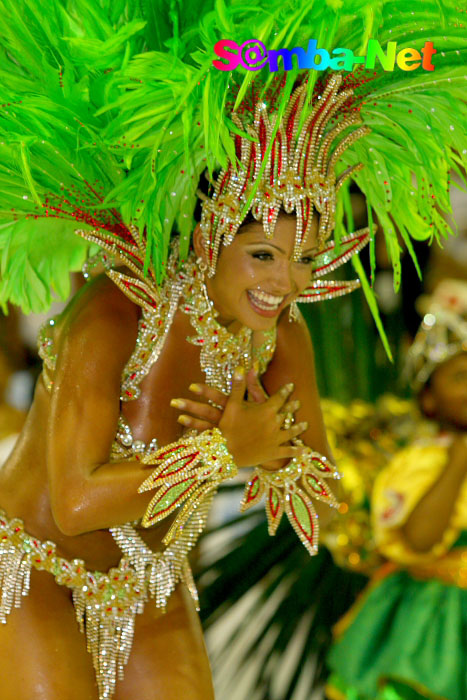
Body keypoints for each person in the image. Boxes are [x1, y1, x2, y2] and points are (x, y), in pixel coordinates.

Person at [0, 2, 465, 699]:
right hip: (37, 571)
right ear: (210, 235)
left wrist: (291, 468)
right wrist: (227, 451)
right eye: (261, 255)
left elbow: (326, 494)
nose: (286, 283)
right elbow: (73, 503)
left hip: (153, 581)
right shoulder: (116, 311)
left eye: (305, 259)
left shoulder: (283, 338)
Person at [327, 284, 467, 700]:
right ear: (428, 401)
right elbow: (420, 539)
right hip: (434, 619)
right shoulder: (420, 463)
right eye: (461, 377)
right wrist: (460, 457)